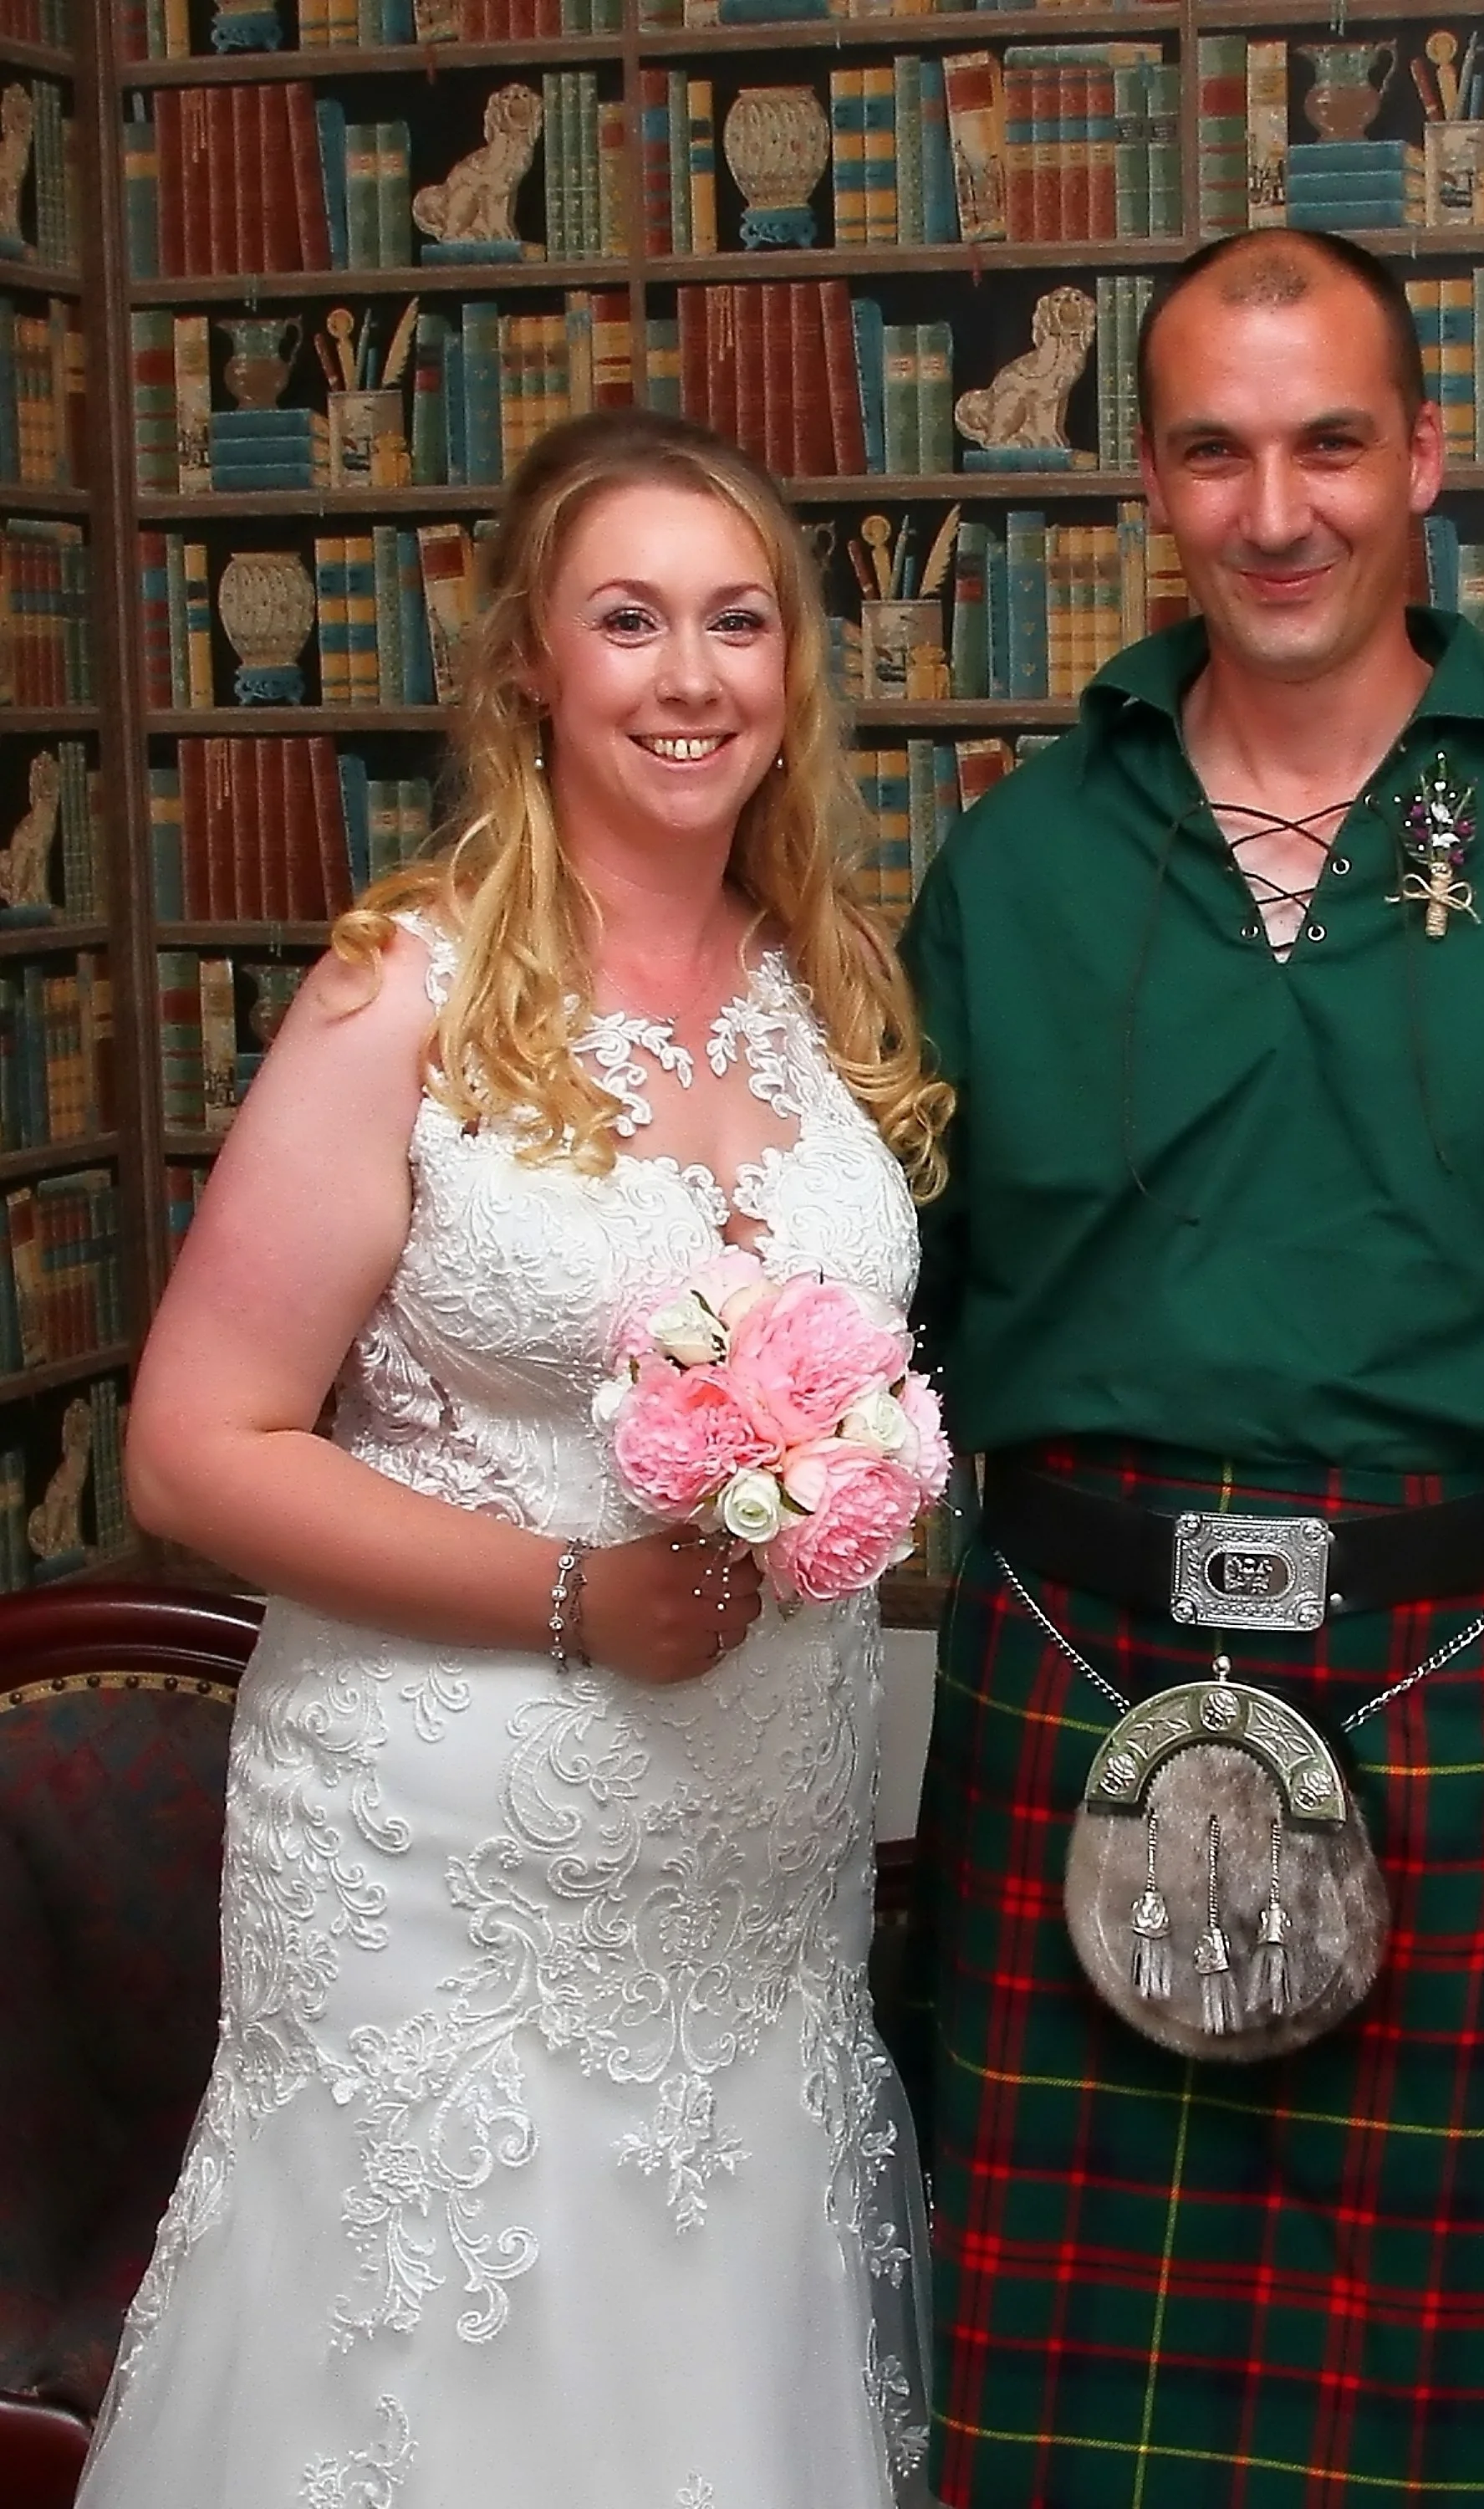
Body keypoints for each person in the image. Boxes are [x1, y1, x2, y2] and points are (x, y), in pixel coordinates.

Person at [900, 228, 1484, 2509]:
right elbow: (872, 1293)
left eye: (1331, 441)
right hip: (1062, 1668)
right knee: (1070, 2452)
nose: (1278, 506)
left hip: (1460, 1684)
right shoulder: (1020, 855)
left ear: (1424, 457)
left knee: (1454, 2456)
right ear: (1149, 483)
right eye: (1215, 453)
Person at [79, 407, 948, 2509]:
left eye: (738, 622)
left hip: (753, 1893)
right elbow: (193, 1452)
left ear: (792, 674)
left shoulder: (822, 989)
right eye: (628, 619)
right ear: (532, 667)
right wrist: (576, 1598)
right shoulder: (407, 994)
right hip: (448, 1878)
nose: (689, 676)